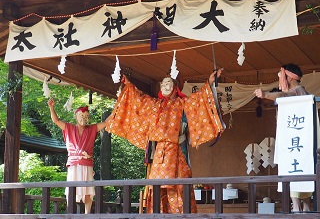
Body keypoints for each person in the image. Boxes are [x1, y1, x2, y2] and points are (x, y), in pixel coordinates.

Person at [105, 70, 225, 213]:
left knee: (179, 186)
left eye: (169, 83)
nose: (165, 86)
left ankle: (182, 216)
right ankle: (158, 215)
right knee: (157, 187)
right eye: (163, 83)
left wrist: (210, 82)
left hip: (178, 148)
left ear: (175, 87)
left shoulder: (183, 103)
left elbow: (199, 99)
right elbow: (139, 99)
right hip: (159, 153)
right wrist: (128, 84)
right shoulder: (155, 104)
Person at [254, 63, 312, 212]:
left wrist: (265, 94)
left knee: (293, 176)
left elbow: (283, 95)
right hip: (298, 142)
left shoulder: (297, 91)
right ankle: (301, 207)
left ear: (289, 77)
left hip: (294, 141)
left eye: (282, 76)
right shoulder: (300, 91)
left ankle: (298, 208)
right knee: (302, 194)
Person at [48, 98, 109, 214]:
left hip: (86, 163)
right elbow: (56, 121)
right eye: (81, 116)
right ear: (76, 117)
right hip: (74, 163)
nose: (84, 119)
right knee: (71, 189)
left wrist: (117, 108)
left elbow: (106, 123)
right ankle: (70, 213)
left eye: (86, 116)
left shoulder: (92, 129)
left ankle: (87, 214)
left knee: (88, 190)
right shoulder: (69, 128)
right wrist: (51, 107)